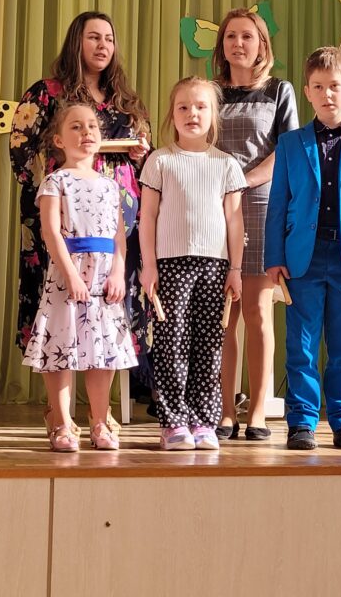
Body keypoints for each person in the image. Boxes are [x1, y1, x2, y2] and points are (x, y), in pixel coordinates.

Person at [9, 12, 152, 417]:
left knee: (108, 310)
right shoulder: (46, 93)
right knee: (62, 312)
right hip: (64, 224)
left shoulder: (126, 101)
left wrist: (139, 154)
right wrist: (74, 170)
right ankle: (58, 412)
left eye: (109, 38)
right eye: (94, 37)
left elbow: (146, 161)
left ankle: (101, 415)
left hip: (114, 227)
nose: (103, 45)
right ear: (77, 42)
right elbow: (21, 154)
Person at [264, 47, 341, 450]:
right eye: (318, 87)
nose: (327, 94)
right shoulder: (290, 144)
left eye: (335, 86)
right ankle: (301, 423)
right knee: (300, 347)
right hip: (302, 258)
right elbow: (278, 203)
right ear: (307, 92)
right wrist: (274, 257)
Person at [22, 103, 137, 451]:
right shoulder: (55, 181)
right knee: (62, 344)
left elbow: (119, 236)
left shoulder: (110, 186)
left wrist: (118, 272)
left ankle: (100, 421)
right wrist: (71, 275)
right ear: (59, 139)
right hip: (68, 272)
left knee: (102, 350)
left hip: (104, 276)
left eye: (92, 126)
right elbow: (51, 233)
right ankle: (61, 422)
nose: (86, 132)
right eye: (75, 127)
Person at [139, 76, 246, 450]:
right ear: (172, 114)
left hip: (214, 268)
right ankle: (173, 422)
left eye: (201, 107)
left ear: (214, 114)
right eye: (183, 107)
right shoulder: (160, 160)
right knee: (171, 343)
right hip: (170, 266)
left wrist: (235, 269)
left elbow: (234, 221)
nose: (192, 114)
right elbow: (148, 217)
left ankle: (203, 421)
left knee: (209, 345)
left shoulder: (226, 165)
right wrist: (149, 266)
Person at [212, 8, 299, 441]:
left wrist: (243, 181)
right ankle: (225, 410)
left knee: (256, 311)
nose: (238, 43)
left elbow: (287, 150)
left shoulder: (279, 90)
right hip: (213, 205)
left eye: (247, 36)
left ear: (262, 44)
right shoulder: (211, 91)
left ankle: (258, 412)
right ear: (222, 45)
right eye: (231, 36)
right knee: (223, 316)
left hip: (262, 203)